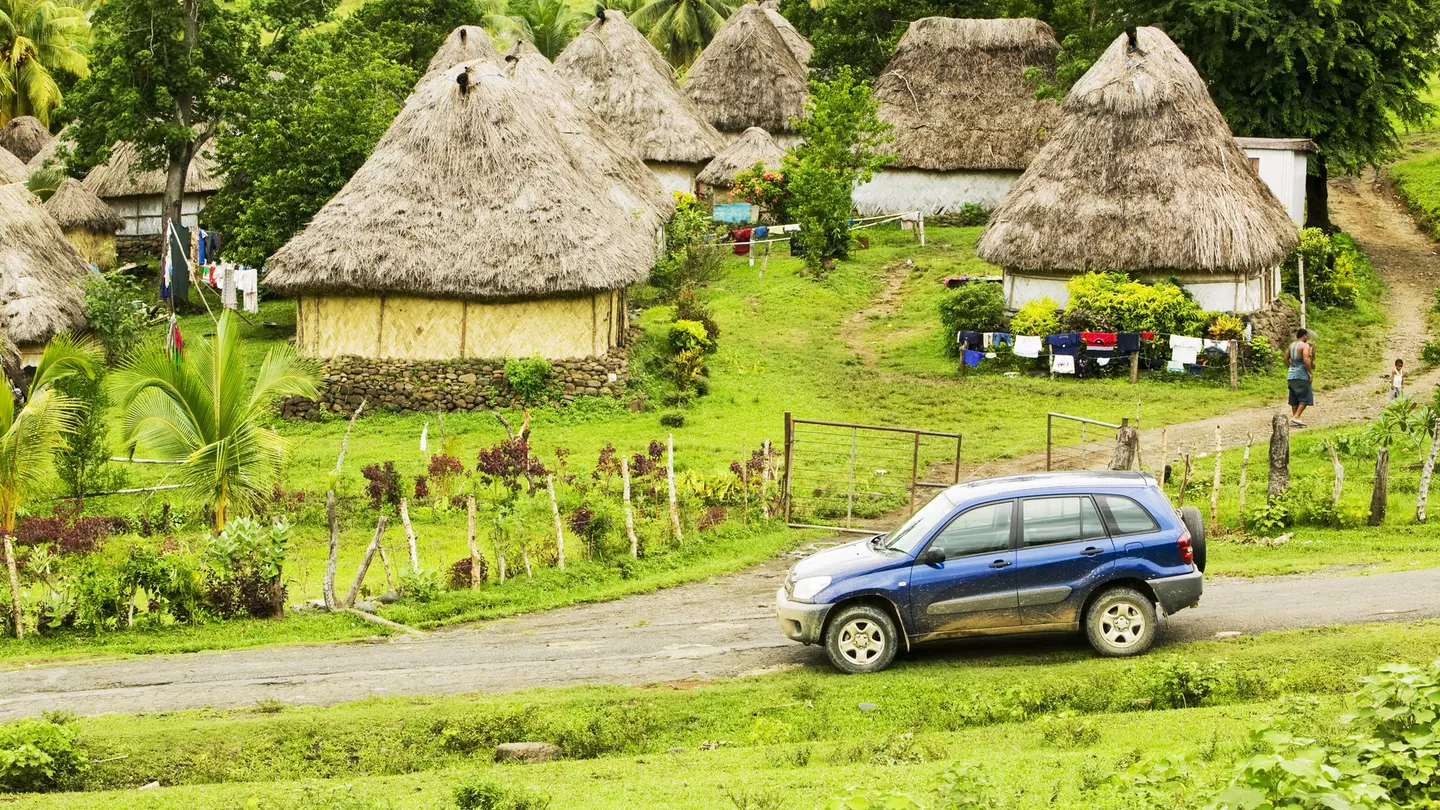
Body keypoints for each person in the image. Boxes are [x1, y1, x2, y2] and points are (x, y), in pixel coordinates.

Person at [1286, 328, 1314, 426]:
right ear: (1304, 336)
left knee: (1294, 397)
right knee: (1305, 396)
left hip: (1291, 375)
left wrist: (1291, 367)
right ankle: (1296, 416)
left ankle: (1295, 418)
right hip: (1301, 375)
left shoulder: (1291, 346)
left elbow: (1285, 359)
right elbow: (1306, 360)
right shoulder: (1305, 346)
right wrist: (1310, 372)